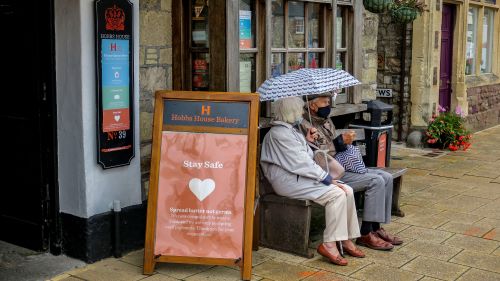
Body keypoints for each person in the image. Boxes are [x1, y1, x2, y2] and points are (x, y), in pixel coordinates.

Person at [260, 96, 365, 266]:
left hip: (297, 177)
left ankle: (345, 239)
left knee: (348, 191)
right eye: (299, 109)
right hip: (287, 182)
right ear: (291, 112)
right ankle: (330, 244)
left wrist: (307, 141)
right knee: (336, 195)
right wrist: (327, 179)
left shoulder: (289, 130)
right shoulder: (279, 134)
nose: (302, 112)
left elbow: (302, 156)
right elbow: (301, 163)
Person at [299, 93, 403, 251]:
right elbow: (317, 156)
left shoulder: (326, 120)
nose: (329, 105)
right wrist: (340, 142)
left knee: (386, 176)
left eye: (329, 101)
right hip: (329, 172)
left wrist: (344, 140)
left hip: (342, 165)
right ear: (312, 105)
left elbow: (334, 144)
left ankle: (376, 228)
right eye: (325, 102)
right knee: (376, 181)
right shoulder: (305, 125)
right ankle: (366, 233)